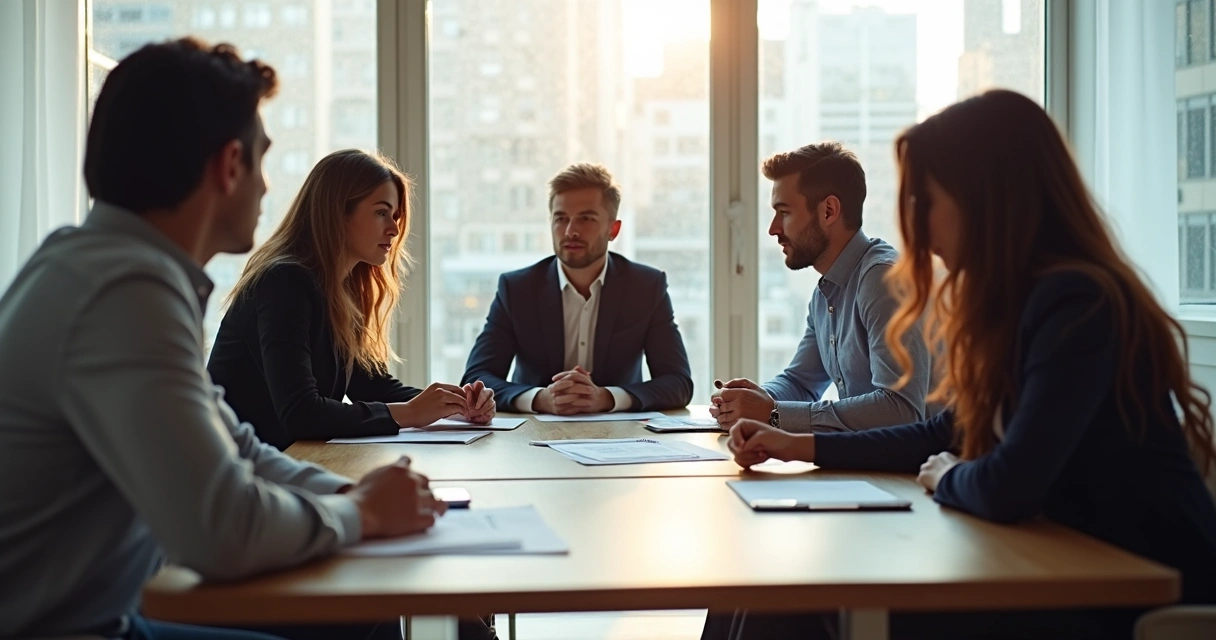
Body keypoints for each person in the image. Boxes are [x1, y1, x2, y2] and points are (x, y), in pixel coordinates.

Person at [714, 90, 1216, 639]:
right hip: (1055, 560)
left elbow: (1010, 483)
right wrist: (794, 442)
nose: (920, 232)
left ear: (987, 199)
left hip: (1131, 589)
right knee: (763, 590)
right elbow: (942, 431)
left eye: (926, 202)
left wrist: (950, 472)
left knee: (793, 600)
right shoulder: (1019, 304)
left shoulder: (1077, 302)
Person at [0, 38, 445, 640]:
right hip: (77, 630)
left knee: (363, 614)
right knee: (357, 620)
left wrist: (355, 489)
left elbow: (238, 446)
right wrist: (362, 512)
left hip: (101, 618)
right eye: (261, 162)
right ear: (228, 165)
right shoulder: (122, 292)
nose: (265, 188)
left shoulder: (99, 266)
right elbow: (222, 529)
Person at [207, 149, 495, 452]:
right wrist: (412, 413)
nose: (395, 229)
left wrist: (457, 404)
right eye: (382, 212)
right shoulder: (284, 282)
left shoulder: (342, 289)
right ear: (337, 213)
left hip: (286, 464)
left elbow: (371, 386)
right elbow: (301, 413)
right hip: (235, 473)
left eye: (395, 216)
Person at [710, 142, 937, 434]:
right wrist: (750, 400)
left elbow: (901, 410)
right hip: (873, 465)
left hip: (919, 473)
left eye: (784, 212)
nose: (773, 229)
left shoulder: (883, 281)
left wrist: (773, 414)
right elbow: (801, 383)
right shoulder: (826, 293)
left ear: (828, 211)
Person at [461, 163, 694, 414]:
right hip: (531, 436)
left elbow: (678, 383)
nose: (571, 231)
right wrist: (540, 399)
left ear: (612, 230)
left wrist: (605, 398)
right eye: (561, 219)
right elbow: (476, 381)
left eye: (586, 218)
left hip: (621, 441)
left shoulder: (646, 287)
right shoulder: (518, 289)